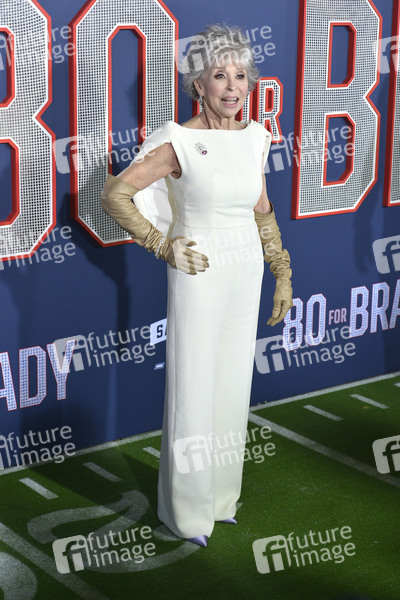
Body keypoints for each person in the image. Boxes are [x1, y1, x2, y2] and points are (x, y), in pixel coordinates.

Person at [100, 24, 293, 547]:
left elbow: (262, 209)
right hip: (198, 272)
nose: (232, 87)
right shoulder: (179, 141)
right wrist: (163, 246)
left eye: (240, 76)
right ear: (198, 84)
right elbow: (115, 195)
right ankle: (186, 513)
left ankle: (221, 499)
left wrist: (281, 272)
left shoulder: (256, 137)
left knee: (233, 385)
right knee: (193, 388)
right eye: (219, 76)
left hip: (247, 269)